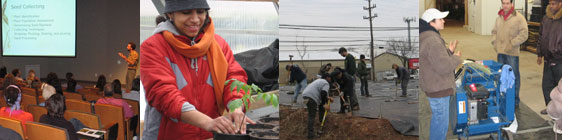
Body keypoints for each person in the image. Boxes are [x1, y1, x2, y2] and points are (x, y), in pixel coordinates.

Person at [139, 0, 255, 139]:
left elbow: (234, 78)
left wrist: (236, 106)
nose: (195, 19)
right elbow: (163, 93)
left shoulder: (218, 45)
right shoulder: (153, 47)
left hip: (209, 135)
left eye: (200, 12)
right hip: (168, 135)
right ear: (171, 14)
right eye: (186, 12)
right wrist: (207, 122)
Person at [420, 8, 462, 140]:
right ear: (431, 22)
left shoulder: (426, 36)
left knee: (438, 119)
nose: (443, 21)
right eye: (440, 19)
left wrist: (448, 51)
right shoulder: (433, 40)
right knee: (440, 123)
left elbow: (434, 60)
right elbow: (444, 66)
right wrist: (456, 58)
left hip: (433, 84)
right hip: (439, 88)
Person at [491, 0, 528, 106]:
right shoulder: (499, 18)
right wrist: (495, 43)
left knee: (513, 76)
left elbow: (524, 34)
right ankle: (504, 97)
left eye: (508, 3)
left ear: (512, 4)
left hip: (512, 54)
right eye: (504, 3)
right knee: (502, 76)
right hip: (500, 53)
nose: (505, 5)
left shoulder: (519, 18)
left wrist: (512, 43)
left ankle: (515, 100)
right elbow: (494, 32)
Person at [538, 0, 562, 115]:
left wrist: (557, 50)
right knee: (546, 86)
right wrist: (539, 54)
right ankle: (550, 108)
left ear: (560, 3)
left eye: (554, 4)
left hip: (559, 60)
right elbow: (541, 36)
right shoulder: (546, 18)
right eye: (550, 4)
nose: (551, 6)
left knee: (560, 88)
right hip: (548, 59)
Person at [302, 73, 333, 139]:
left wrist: (327, 98)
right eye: (330, 78)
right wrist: (324, 104)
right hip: (312, 97)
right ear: (327, 78)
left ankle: (321, 122)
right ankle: (311, 135)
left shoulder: (318, 81)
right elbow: (323, 93)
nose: (330, 79)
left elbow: (320, 92)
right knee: (312, 116)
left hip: (305, 95)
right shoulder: (326, 83)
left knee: (311, 114)